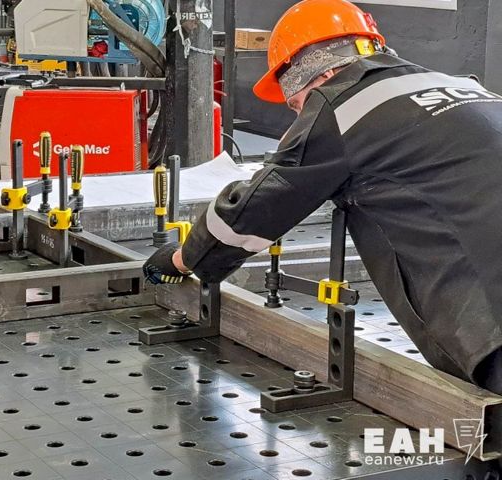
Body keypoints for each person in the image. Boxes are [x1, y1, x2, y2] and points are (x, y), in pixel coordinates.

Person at [143, 0, 502, 395]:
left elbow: (258, 207)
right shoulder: (464, 87)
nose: (300, 118)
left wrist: (183, 259)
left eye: (298, 105)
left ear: (324, 73)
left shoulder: (343, 104)